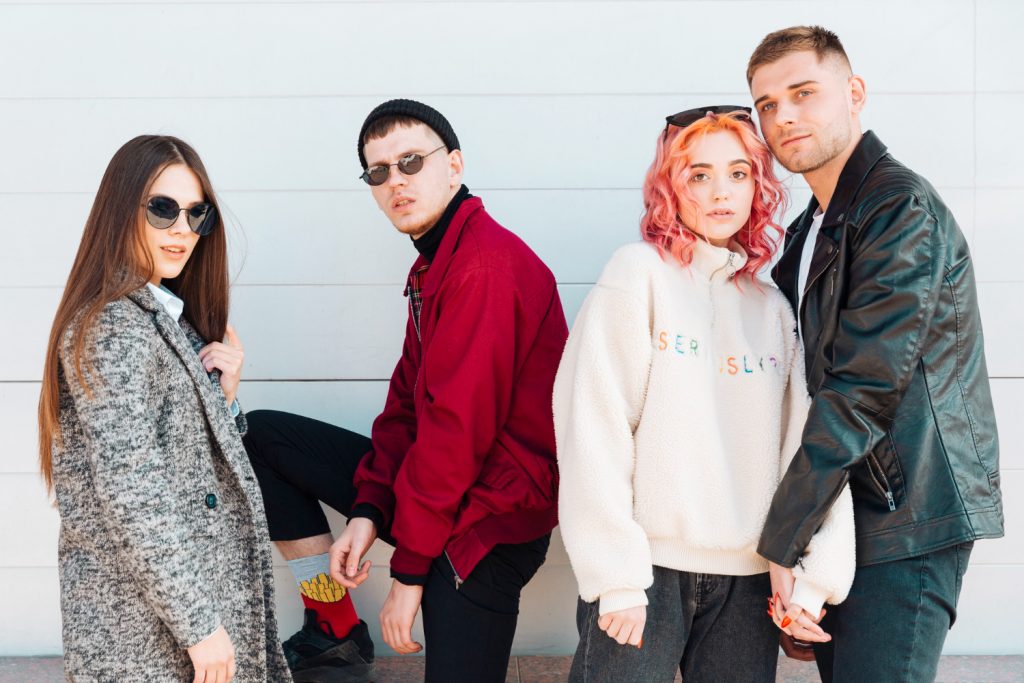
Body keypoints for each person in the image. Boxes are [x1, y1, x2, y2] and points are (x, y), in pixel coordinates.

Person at [242, 98, 568, 683]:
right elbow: (406, 411)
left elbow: (455, 435)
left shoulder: (482, 268)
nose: (396, 181)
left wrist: (409, 573)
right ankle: (333, 626)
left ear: (455, 165)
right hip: (455, 492)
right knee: (261, 437)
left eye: (412, 161)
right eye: (379, 171)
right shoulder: (435, 265)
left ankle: (415, 584)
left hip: (490, 522)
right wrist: (367, 511)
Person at [553, 106, 855, 683]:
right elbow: (593, 425)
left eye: (739, 173)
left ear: (758, 186)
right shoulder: (636, 275)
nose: (721, 192)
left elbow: (808, 448)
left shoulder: (770, 308)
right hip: (646, 573)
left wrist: (815, 577)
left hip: (747, 585)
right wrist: (615, 577)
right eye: (699, 174)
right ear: (670, 185)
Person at [747, 26, 1004, 683]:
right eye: (767, 104)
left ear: (854, 93)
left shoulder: (897, 209)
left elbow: (862, 386)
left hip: (907, 516)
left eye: (803, 93)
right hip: (846, 519)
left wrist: (785, 535)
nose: (785, 116)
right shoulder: (812, 226)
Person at [37, 135, 290, 682]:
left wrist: (222, 397)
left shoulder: (162, 318)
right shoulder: (112, 327)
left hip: (173, 618)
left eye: (197, 213)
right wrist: (200, 627)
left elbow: (181, 464)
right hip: (153, 636)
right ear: (120, 209)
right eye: (162, 208)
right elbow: (134, 494)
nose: (182, 229)